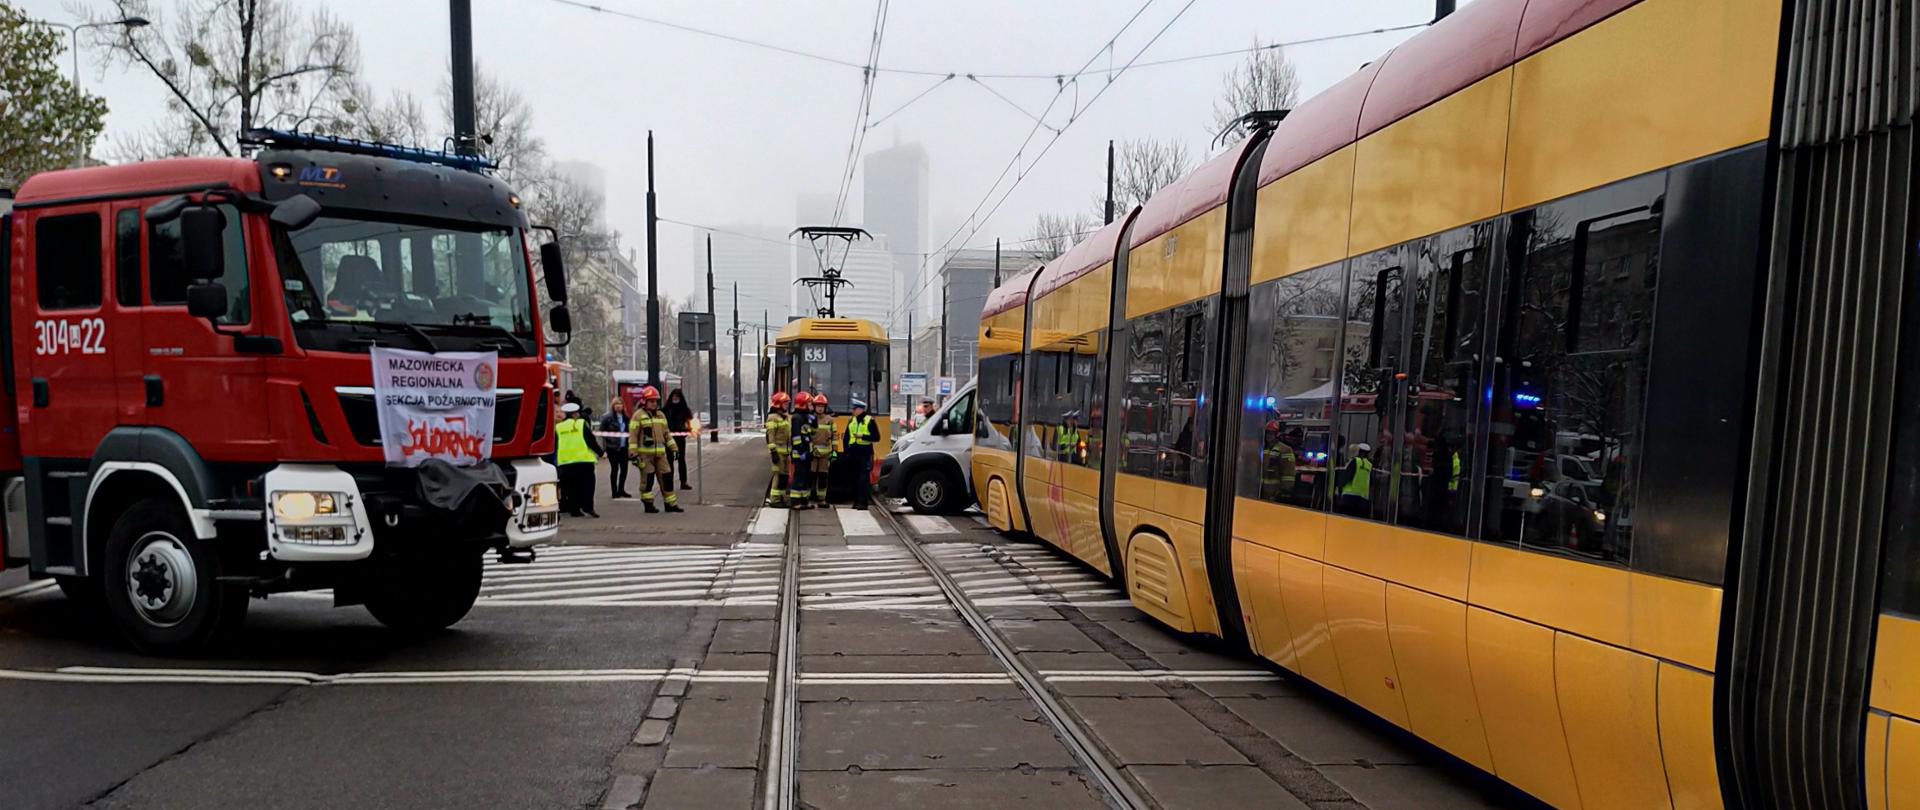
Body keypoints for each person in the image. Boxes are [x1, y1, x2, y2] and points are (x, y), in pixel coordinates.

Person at [629, 386, 683, 513]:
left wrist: (674, 448)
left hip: (660, 454)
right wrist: (633, 454)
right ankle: (648, 504)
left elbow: (667, 434)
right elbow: (633, 437)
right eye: (651, 401)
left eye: (655, 401)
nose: (654, 403)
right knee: (648, 480)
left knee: (667, 478)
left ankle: (670, 504)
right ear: (644, 401)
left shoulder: (661, 415)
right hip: (645, 456)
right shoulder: (638, 416)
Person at [555, 402, 601, 518]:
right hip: (584, 461)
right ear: (575, 414)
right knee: (588, 485)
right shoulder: (581, 424)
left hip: (566, 462)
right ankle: (588, 506)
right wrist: (601, 452)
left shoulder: (558, 427)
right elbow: (590, 440)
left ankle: (574, 510)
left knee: (571, 487)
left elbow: (555, 445)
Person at [844, 397, 880, 508]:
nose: (852, 411)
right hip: (853, 453)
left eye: (854, 409)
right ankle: (855, 502)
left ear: (860, 409)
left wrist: (862, 436)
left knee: (863, 478)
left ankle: (863, 502)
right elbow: (846, 437)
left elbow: (876, 437)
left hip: (865, 453)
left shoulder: (870, 420)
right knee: (854, 478)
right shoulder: (852, 420)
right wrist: (847, 451)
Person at [807, 394, 836, 507]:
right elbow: (807, 436)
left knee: (823, 477)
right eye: (818, 406)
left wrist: (834, 452)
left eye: (822, 406)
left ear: (825, 407)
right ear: (814, 407)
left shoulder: (830, 420)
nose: (820, 408)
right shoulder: (810, 419)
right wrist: (811, 450)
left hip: (825, 454)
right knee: (811, 476)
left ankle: (821, 499)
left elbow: (834, 437)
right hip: (813, 454)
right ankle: (809, 497)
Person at [788, 392, 816, 509]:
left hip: (806, 452)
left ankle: (804, 500)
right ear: (804, 404)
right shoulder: (797, 418)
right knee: (799, 476)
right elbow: (796, 437)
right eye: (809, 403)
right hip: (800, 453)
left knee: (806, 477)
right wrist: (801, 452)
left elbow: (812, 431)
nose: (811, 406)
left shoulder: (805, 417)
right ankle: (795, 502)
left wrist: (813, 419)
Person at [600, 397, 632, 499]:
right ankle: (614, 491)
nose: (618, 406)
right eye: (616, 404)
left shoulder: (626, 418)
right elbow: (602, 431)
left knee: (624, 469)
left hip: (623, 447)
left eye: (620, 404)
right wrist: (609, 440)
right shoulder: (608, 417)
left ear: (623, 406)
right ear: (613, 406)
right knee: (615, 469)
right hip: (612, 448)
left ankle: (621, 489)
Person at [764, 392, 792, 507]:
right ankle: (774, 499)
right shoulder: (772, 418)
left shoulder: (785, 417)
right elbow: (770, 437)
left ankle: (781, 498)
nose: (787, 406)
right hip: (778, 453)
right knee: (777, 475)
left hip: (785, 452)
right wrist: (773, 452)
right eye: (785, 403)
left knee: (784, 476)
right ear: (778, 404)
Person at [665, 389, 695, 489]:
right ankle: (670, 482)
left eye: (677, 396)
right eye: (674, 396)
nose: (675, 398)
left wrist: (687, 431)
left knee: (681, 460)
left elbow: (690, 422)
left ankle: (683, 482)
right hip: (669, 437)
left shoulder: (685, 410)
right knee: (669, 460)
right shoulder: (666, 409)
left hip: (680, 438)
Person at [1335, 442, 1374, 518]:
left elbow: (1347, 476)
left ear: (1360, 451)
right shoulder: (1369, 465)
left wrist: (1339, 487)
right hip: (1363, 500)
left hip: (1349, 497)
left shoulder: (1355, 461)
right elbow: (1371, 482)